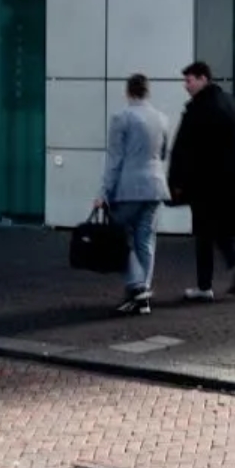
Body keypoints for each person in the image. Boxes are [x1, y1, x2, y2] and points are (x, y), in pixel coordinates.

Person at [167, 61, 235, 301]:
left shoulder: (199, 109)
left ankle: (204, 286)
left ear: (203, 78)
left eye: (190, 80)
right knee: (221, 227)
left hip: (206, 182)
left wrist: (175, 181)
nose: (186, 86)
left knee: (204, 233)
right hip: (232, 180)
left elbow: (184, 148)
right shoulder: (232, 103)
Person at [94, 73, 172, 315]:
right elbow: (163, 154)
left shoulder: (122, 118)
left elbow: (114, 160)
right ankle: (142, 296)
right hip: (156, 187)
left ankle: (137, 286)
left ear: (128, 92)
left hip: (129, 188)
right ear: (147, 92)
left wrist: (103, 192)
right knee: (145, 241)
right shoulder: (162, 118)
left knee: (116, 238)